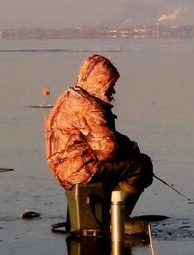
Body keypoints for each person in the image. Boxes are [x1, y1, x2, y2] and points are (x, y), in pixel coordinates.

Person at [45, 54, 153, 214]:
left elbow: (100, 136)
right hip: (80, 170)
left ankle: (100, 212)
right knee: (141, 165)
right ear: (100, 82)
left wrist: (124, 143)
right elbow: (108, 149)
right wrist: (131, 148)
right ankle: (115, 218)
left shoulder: (69, 97)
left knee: (122, 165)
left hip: (63, 168)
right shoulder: (89, 107)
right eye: (111, 84)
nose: (113, 90)